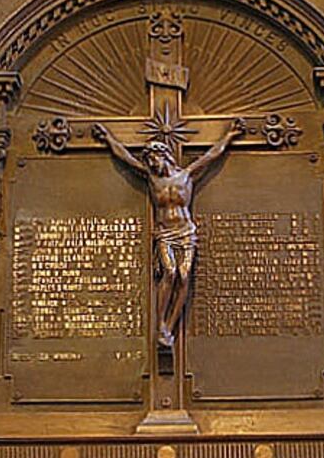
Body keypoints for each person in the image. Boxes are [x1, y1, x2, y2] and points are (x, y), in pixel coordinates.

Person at [92, 118, 247, 348]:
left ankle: (170, 326)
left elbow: (211, 156)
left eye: (154, 159)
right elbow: (126, 157)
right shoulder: (152, 179)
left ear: (164, 156)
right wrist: (108, 139)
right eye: (149, 161)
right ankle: (160, 324)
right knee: (171, 272)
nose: (152, 164)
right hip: (165, 233)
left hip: (186, 233)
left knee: (184, 276)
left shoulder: (186, 175)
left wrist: (230, 135)